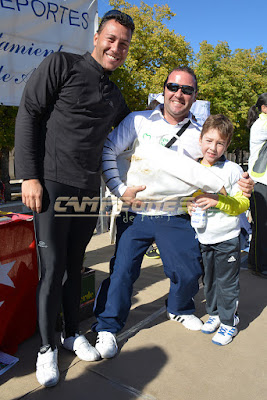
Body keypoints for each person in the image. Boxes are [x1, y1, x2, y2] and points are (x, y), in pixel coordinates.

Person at [92, 67, 254, 359]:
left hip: (176, 213)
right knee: (122, 271)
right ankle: (107, 326)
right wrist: (118, 188)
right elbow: (108, 149)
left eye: (187, 89)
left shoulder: (199, 133)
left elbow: (217, 169)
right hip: (136, 210)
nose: (179, 94)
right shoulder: (137, 120)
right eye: (173, 86)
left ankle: (179, 308)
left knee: (189, 271)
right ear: (164, 89)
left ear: (194, 95)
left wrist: (242, 184)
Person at [14, 9, 135, 387]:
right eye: (111, 39)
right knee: (52, 269)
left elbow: (141, 134)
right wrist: (29, 176)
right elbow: (29, 114)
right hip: (50, 184)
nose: (116, 48)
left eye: (124, 44)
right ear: (98, 36)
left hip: (87, 189)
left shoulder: (115, 94)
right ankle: (47, 348)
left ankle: (70, 333)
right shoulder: (61, 64)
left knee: (75, 264)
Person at [187, 114, 249, 345]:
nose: (213, 147)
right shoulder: (191, 168)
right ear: (201, 139)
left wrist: (218, 201)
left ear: (227, 144)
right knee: (210, 279)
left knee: (227, 282)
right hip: (204, 237)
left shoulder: (233, 170)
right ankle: (214, 314)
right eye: (209, 140)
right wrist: (189, 207)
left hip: (227, 238)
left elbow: (242, 204)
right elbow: (186, 199)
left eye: (220, 143)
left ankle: (228, 323)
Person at [247, 93, 267, 279]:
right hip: (259, 182)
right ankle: (259, 265)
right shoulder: (261, 125)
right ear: (264, 108)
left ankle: (256, 261)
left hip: (264, 181)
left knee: (262, 226)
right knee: (261, 226)